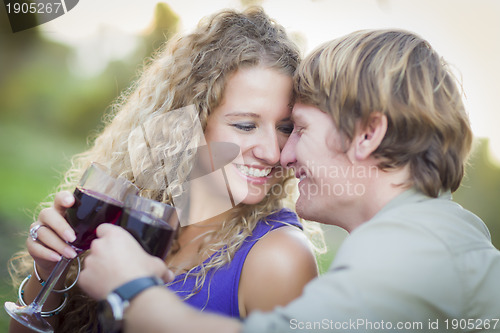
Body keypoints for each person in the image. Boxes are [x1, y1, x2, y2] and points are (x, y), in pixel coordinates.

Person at [77, 28, 500, 332]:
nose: (284, 154)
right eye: (248, 125)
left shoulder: (410, 253)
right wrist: (54, 274)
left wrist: (130, 288)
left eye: (296, 128)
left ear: (369, 134)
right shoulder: (437, 235)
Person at [9, 7, 323, 333]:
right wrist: (50, 272)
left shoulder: (279, 258)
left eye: (286, 127)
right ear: (188, 124)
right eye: (246, 125)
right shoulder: (129, 212)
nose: (273, 152)